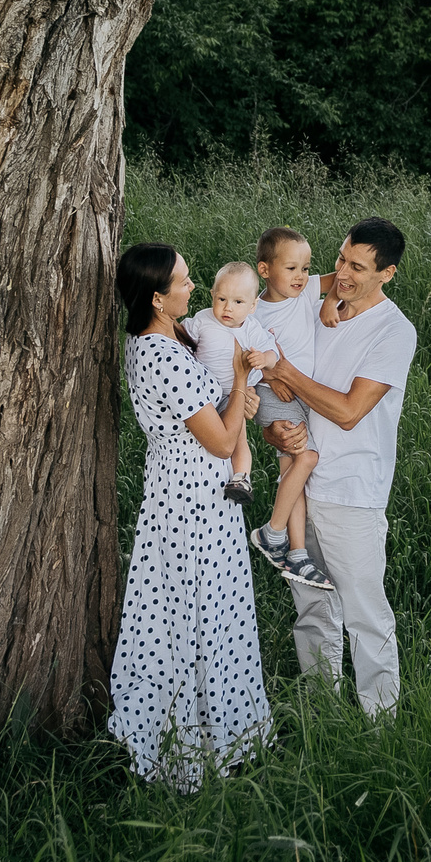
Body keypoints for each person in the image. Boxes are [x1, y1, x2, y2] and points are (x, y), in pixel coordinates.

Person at [106, 242, 269, 789]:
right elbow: (220, 443)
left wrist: (237, 405)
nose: (193, 286)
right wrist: (241, 384)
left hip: (196, 493)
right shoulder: (163, 356)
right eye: (183, 281)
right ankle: (188, 743)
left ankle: (224, 728)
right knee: (192, 617)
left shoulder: (167, 335)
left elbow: (216, 420)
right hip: (191, 501)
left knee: (205, 610)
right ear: (157, 298)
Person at [259, 217, 417, 715]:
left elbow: (349, 412)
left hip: (351, 489)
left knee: (364, 614)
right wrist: (272, 431)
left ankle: (380, 719)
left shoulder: (394, 332)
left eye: (358, 267)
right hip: (299, 483)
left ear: (387, 274)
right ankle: (321, 710)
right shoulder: (311, 302)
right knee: (312, 607)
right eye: (341, 259)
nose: (343, 273)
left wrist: (285, 371)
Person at [244, 229, 335, 592]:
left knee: (292, 472)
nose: (301, 276)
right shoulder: (253, 310)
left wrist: (328, 301)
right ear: (264, 270)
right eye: (291, 268)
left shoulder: (308, 290)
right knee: (307, 457)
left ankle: (297, 554)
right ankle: (272, 533)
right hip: (274, 395)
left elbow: (339, 280)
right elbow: (243, 354)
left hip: (298, 395)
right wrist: (269, 374)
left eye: (306, 268)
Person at [183, 260, 281, 510]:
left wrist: (264, 359)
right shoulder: (202, 320)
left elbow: (273, 352)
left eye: (238, 302)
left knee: (239, 438)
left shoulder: (251, 329)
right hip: (203, 394)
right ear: (212, 295)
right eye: (222, 299)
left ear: (252, 306)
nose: (228, 308)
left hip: (234, 395)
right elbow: (182, 340)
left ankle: (241, 477)